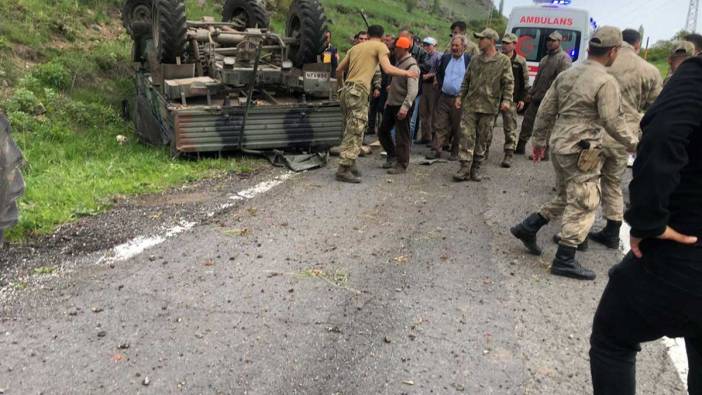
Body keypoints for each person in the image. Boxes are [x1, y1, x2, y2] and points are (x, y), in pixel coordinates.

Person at [589, 54, 702, 395]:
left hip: (683, 252)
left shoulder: (694, 78)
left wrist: (647, 221)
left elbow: (665, 131)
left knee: (613, 337)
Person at [510, 26, 638, 281]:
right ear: (613, 51)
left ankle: (529, 226)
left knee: (569, 193)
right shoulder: (605, 81)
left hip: (560, 143)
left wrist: (539, 140)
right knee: (586, 200)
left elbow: (546, 109)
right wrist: (634, 142)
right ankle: (565, 258)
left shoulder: (569, 74)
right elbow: (612, 120)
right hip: (582, 148)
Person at [587, 28, 662, 249]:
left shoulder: (602, 63)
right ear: (637, 45)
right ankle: (612, 230)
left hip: (596, 133)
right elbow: (655, 106)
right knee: (613, 182)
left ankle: (578, 232)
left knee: (587, 180)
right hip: (624, 137)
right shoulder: (649, 70)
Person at [335, 25, 419, 184]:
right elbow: (387, 69)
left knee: (350, 128)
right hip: (359, 92)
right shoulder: (380, 46)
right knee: (356, 130)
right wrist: (407, 73)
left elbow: (339, 70)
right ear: (381, 37)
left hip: (347, 91)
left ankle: (351, 164)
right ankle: (343, 169)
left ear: (369, 34)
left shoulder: (356, 48)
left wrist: (341, 88)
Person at [453, 28, 513, 182]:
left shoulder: (503, 61)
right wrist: (460, 96)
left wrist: (506, 100)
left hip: (489, 107)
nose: (479, 41)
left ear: (492, 41)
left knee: (483, 139)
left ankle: (476, 168)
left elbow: (508, 83)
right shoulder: (475, 60)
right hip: (471, 105)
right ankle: (464, 167)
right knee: (466, 136)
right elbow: (466, 80)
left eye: (482, 39)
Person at [515, 31, 572, 157]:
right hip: (537, 97)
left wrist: (557, 99)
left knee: (545, 127)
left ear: (559, 42)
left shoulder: (564, 59)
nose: (550, 43)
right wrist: (530, 92)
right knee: (527, 122)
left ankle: (543, 153)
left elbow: (564, 82)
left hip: (550, 100)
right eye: (548, 40)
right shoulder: (545, 59)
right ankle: (520, 146)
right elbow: (537, 79)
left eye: (553, 40)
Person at [377, 37, 420, 174]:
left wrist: (405, 107)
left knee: (402, 136)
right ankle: (392, 155)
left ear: (404, 49)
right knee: (383, 131)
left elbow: (413, 90)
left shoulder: (411, 66)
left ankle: (402, 164)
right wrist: (390, 95)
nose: (394, 50)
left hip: (401, 105)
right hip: (392, 103)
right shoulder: (400, 62)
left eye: (397, 48)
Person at [426, 35, 471, 161]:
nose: (454, 48)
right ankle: (436, 150)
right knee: (439, 124)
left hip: (459, 100)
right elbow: (439, 73)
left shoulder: (469, 60)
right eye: (453, 45)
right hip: (444, 97)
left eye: (457, 45)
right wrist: (440, 85)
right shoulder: (445, 58)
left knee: (457, 127)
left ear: (464, 47)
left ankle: (455, 151)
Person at [498, 32, 529, 168]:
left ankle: (509, 153)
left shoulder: (520, 61)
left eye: (507, 43)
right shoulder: (497, 58)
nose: (504, 45)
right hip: (494, 97)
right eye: (503, 42)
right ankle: (483, 151)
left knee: (510, 127)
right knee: (486, 126)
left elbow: (525, 82)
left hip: (511, 98)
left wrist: (522, 99)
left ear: (514, 44)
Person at [417, 36, 442, 144]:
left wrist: (430, 75)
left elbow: (440, 71)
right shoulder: (425, 56)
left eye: (428, 45)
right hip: (424, 85)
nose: (426, 47)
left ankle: (434, 138)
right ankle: (425, 136)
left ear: (434, 46)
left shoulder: (439, 56)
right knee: (423, 111)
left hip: (433, 86)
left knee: (433, 112)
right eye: (425, 45)